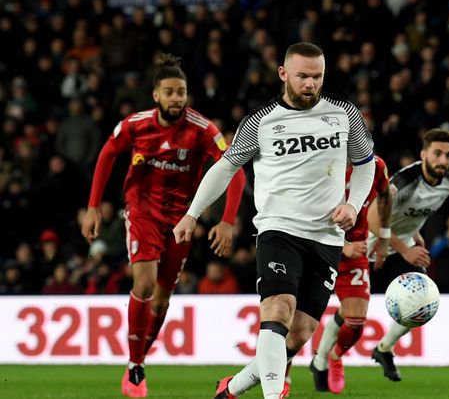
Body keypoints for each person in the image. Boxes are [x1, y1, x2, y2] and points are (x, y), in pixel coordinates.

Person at [172, 42, 376, 399]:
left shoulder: (344, 114)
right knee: (277, 309)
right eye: (303, 77)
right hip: (279, 229)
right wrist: (192, 213)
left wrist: (355, 205)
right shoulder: (262, 122)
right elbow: (225, 168)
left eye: (317, 77)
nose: (310, 84)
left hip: (327, 237)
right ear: (283, 74)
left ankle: (230, 389)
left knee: (297, 335)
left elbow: (365, 163)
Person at [81, 53, 246, 398]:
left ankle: (139, 358)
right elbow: (107, 155)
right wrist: (93, 207)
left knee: (161, 300)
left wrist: (227, 221)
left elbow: (236, 170)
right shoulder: (135, 125)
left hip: (181, 221)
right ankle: (135, 365)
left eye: (181, 92)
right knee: (144, 282)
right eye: (169, 92)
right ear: (155, 95)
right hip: (141, 213)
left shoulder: (203, 130)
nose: (176, 98)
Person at [366, 128, 449, 381]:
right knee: (351, 315)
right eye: (437, 153)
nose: (442, 160)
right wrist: (405, 248)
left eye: (448, 155)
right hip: (372, 247)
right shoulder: (405, 182)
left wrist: (414, 235)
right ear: (423, 154)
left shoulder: (448, 183)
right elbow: (372, 219)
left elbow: (417, 212)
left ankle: (384, 348)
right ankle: (322, 360)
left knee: (423, 303)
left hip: (402, 248)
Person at [306, 155, 391, 395]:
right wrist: (342, 245)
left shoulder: (376, 165)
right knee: (295, 321)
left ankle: (330, 357)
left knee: (356, 321)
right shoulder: (320, 162)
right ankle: (284, 378)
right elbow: (305, 208)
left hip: (356, 248)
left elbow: (385, 196)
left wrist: (384, 238)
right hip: (314, 246)